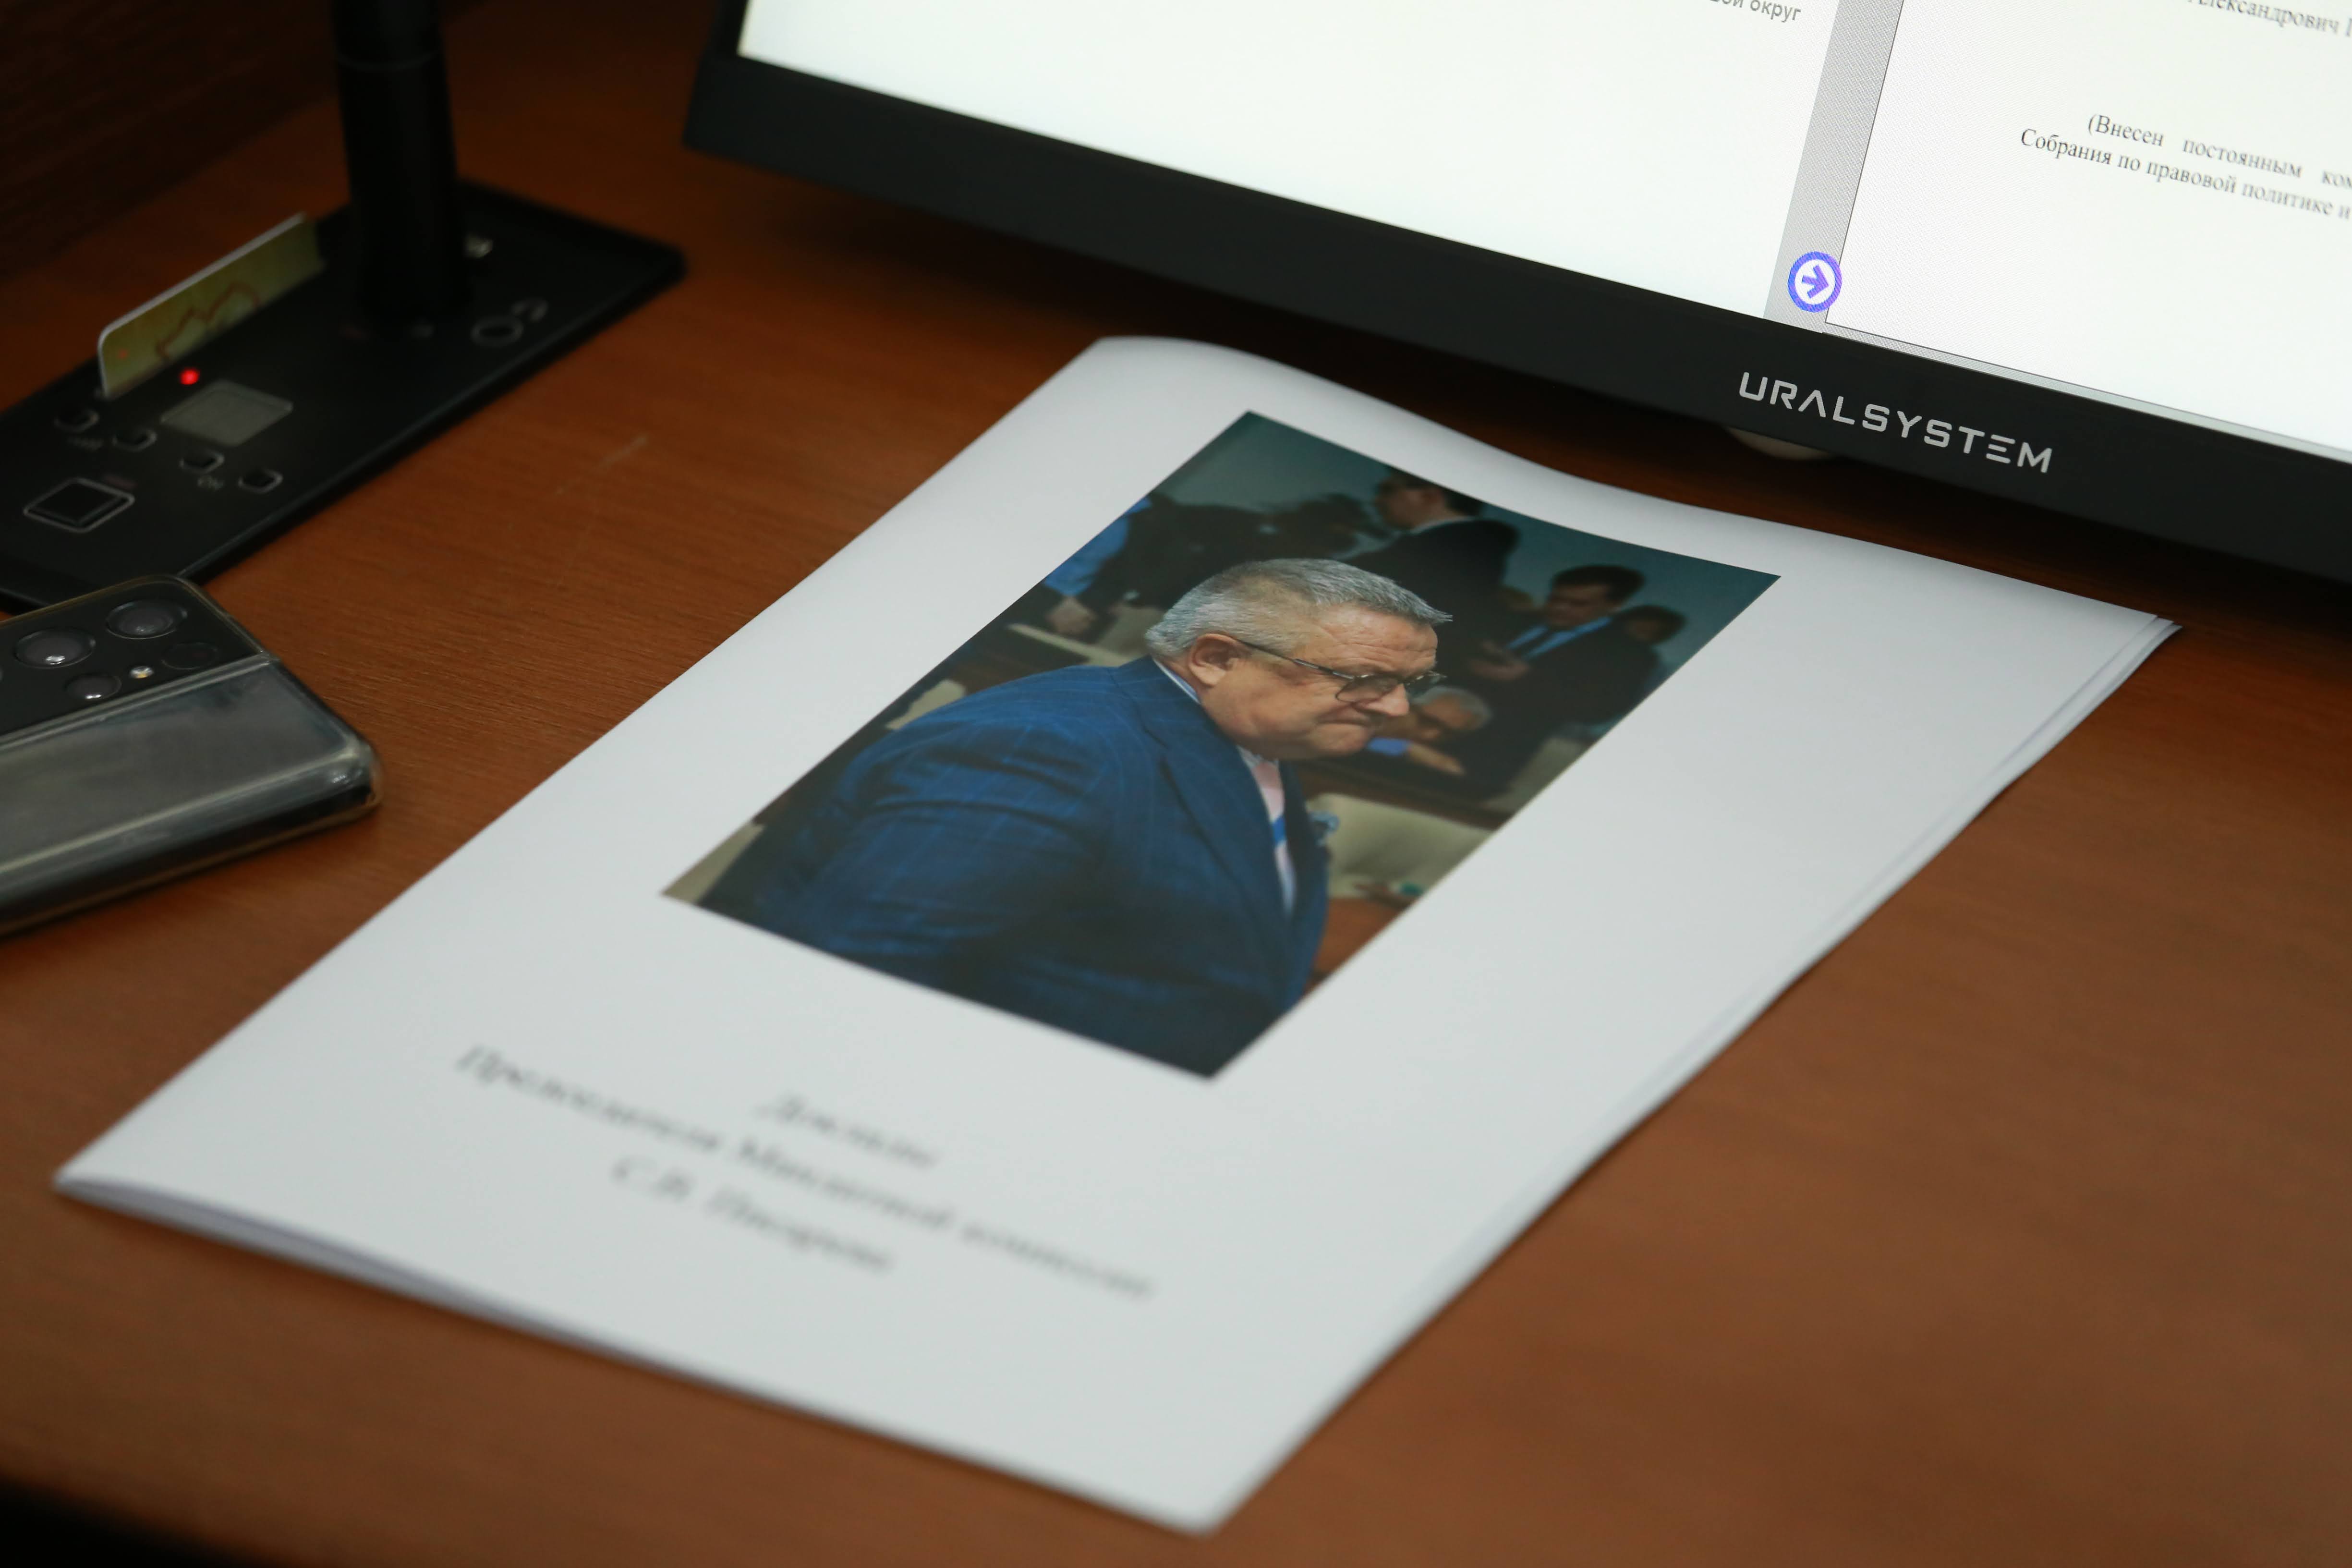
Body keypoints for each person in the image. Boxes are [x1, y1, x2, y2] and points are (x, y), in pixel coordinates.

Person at [747, 559, 1447, 1075]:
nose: (1396, 710)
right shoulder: (1051, 750)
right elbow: (850, 968)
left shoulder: (1242, 733)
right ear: (1216, 659)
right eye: (1364, 680)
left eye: (1411, 684)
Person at [1449, 566, 1660, 792]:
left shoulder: (1629, 654)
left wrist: (1526, 679)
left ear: (1614, 605)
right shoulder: (1513, 619)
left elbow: (1600, 709)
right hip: (1427, 718)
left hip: (1488, 754)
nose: (1560, 608)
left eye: (1578, 604)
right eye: (1556, 599)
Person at [1345, 470, 1520, 649]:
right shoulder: (1457, 545)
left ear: (1430, 496)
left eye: (1388, 490)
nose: (1377, 500)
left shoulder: (1459, 550)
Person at [1353, 685, 1493, 781]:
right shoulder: (1356, 715)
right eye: (1427, 722)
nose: (1429, 736)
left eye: (1449, 734)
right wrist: (1402, 747)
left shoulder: (1432, 764)